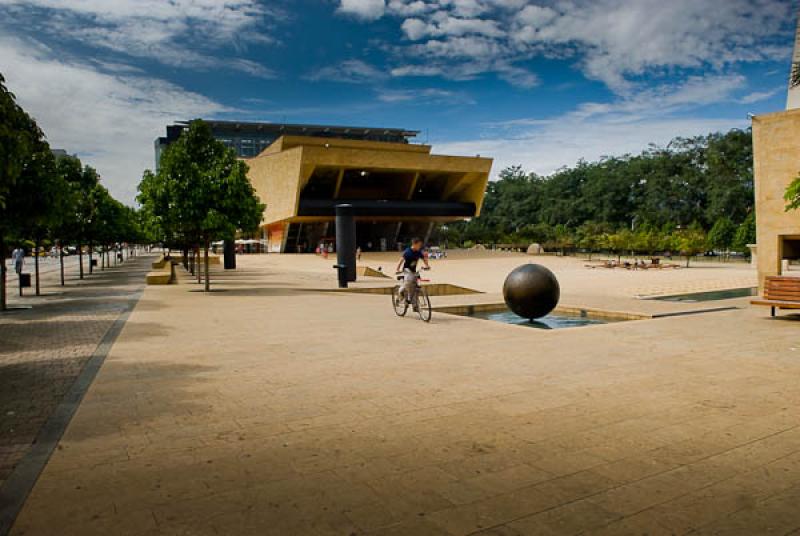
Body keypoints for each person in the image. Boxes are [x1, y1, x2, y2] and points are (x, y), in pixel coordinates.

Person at [395, 237, 430, 306]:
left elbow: (424, 259)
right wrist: (397, 269)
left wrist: (427, 266)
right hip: (406, 270)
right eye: (419, 245)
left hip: (413, 270)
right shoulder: (408, 252)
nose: (420, 247)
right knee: (408, 283)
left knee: (414, 284)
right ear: (414, 244)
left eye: (420, 245)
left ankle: (414, 305)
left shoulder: (418, 252)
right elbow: (401, 260)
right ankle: (400, 293)